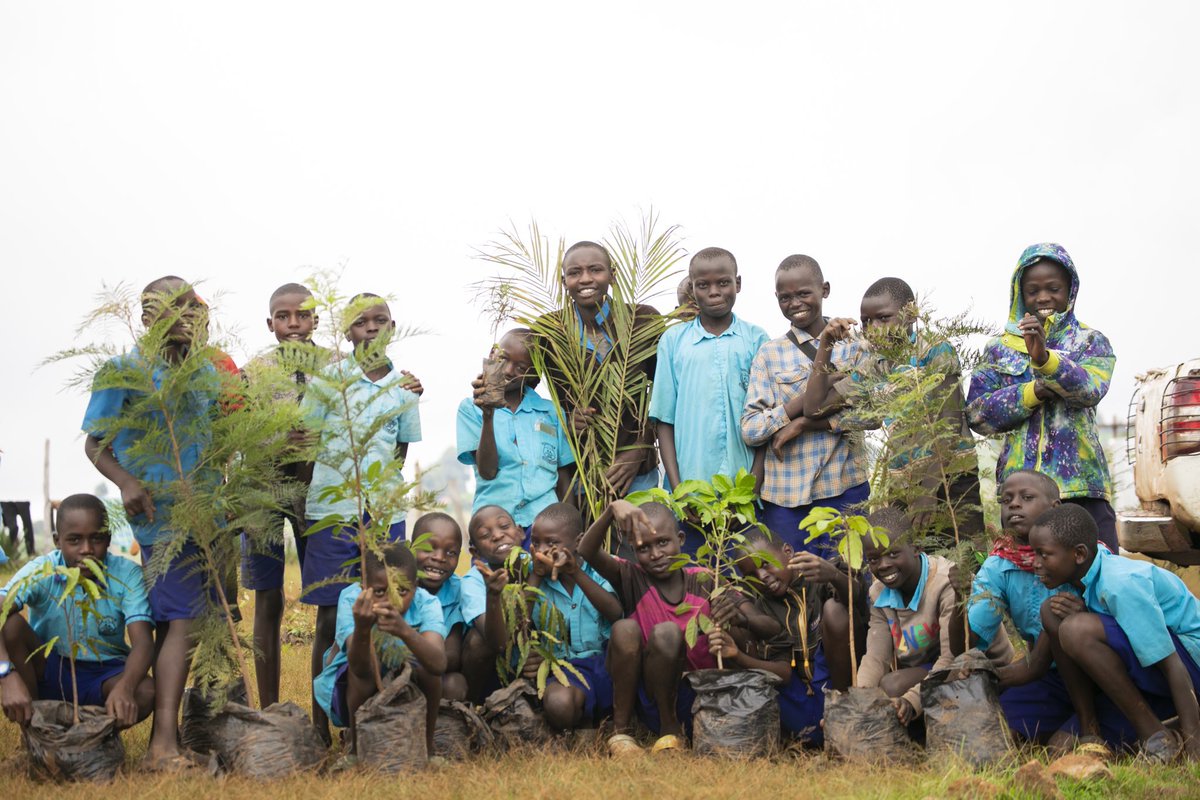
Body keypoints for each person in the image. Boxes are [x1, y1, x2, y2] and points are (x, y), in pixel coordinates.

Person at [81, 275, 221, 769]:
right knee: (180, 624)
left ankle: (178, 734)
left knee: (185, 626)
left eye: (192, 307)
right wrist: (126, 483)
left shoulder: (205, 375)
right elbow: (96, 442)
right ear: (145, 318)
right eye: (171, 308)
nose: (185, 316)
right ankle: (163, 744)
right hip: (162, 518)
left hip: (208, 514)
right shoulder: (123, 372)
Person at [300, 293, 422, 742]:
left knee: (387, 610)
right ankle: (319, 724)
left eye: (379, 320)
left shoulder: (403, 389)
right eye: (359, 322)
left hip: (384, 514)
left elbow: (400, 449)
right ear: (346, 331)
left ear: (392, 326)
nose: (370, 328)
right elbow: (307, 443)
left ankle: (374, 717)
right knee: (331, 618)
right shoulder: (328, 381)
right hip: (334, 512)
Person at [967, 243, 1117, 551]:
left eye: (1053, 288)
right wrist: (1031, 391)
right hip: (1022, 496)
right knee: (1025, 581)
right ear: (1020, 294)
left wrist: (1046, 360)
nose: (1043, 297)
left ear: (1070, 290)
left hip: (1080, 489)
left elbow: (1091, 389)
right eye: (1033, 290)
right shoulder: (999, 349)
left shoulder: (1091, 342)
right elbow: (977, 415)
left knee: (1098, 578)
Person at [807, 277, 983, 538]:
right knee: (913, 564)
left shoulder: (934, 350)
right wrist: (825, 345)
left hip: (952, 479)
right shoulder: (874, 364)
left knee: (963, 563)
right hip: (904, 482)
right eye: (865, 321)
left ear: (910, 314)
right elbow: (815, 407)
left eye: (883, 318)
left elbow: (950, 421)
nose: (873, 328)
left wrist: (929, 491)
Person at [1033, 505, 1200, 762]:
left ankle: (1157, 737)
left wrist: (1194, 747)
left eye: (1044, 555)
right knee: (1060, 747)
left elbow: (1171, 664)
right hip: (1151, 674)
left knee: (1076, 630)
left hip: (1189, 665)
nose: (1035, 564)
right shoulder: (1080, 580)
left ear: (1078, 554)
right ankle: (1096, 729)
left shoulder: (1120, 584)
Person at [741, 255, 869, 553]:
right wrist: (794, 409)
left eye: (803, 294)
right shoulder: (769, 354)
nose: (795, 302)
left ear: (824, 290)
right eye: (785, 297)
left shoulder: (856, 347)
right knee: (793, 586)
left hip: (844, 488)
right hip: (786, 499)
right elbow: (751, 429)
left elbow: (871, 415)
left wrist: (805, 425)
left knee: (848, 584)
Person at [649, 247, 769, 554]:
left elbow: (767, 419)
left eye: (723, 283)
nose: (714, 292)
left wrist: (753, 482)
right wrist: (678, 490)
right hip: (691, 492)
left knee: (746, 580)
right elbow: (664, 420)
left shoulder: (756, 339)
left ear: (737, 284)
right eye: (703, 285)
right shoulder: (674, 342)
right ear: (692, 289)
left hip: (746, 492)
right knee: (696, 582)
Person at [239, 282, 325, 708]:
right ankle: (269, 709)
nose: (294, 324)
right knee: (267, 598)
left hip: (319, 493)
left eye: (303, 315)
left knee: (328, 598)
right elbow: (240, 434)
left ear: (316, 319)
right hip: (263, 491)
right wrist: (278, 442)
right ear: (269, 322)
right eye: (283, 316)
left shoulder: (338, 367)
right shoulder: (253, 372)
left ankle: (323, 710)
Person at [0, 494, 154, 730]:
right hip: (49, 671)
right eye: (74, 540)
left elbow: (143, 643)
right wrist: (6, 674)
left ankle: (92, 738)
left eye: (97, 539)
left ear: (109, 538)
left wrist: (126, 687)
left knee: (146, 690)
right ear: (57, 541)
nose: (87, 550)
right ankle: (37, 732)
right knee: (11, 627)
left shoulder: (127, 575)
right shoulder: (42, 571)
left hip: (104, 674)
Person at [945, 470, 1078, 743]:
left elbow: (1037, 663)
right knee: (1002, 732)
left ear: (1055, 508)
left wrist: (991, 677)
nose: (1014, 504)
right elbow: (966, 647)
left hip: (1095, 670)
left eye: (1027, 497)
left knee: (1061, 745)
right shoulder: (998, 565)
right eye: (1006, 500)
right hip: (1049, 679)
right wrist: (960, 596)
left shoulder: (1078, 554)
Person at [579, 499, 716, 755]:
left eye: (663, 542)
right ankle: (621, 734)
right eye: (644, 548)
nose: (655, 555)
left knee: (667, 633)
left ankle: (669, 731)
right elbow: (586, 550)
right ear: (632, 548)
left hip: (696, 695)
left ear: (681, 539)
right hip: (647, 694)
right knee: (623, 629)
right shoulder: (632, 576)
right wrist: (611, 510)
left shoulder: (705, 578)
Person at [709, 527, 865, 745]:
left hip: (837, 685)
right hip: (801, 694)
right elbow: (782, 674)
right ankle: (802, 733)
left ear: (788, 552)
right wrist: (737, 655)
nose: (762, 576)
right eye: (752, 576)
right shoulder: (763, 607)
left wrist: (835, 576)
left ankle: (841, 714)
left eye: (765, 564)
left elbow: (859, 604)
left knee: (834, 610)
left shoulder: (818, 576)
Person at [857, 508, 1011, 727]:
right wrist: (858, 700)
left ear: (916, 548)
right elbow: (875, 656)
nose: (884, 565)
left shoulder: (946, 583)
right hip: (930, 670)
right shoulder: (879, 593)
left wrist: (911, 701)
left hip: (974, 667)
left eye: (893, 553)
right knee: (886, 687)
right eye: (873, 559)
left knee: (894, 685)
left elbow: (952, 658)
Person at [541, 241, 661, 499]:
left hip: (637, 474)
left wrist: (640, 448)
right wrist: (564, 421)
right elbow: (524, 396)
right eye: (574, 273)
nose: (585, 279)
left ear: (612, 275)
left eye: (595, 270)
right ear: (564, 281)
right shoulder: (550, 330)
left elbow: (665, 395)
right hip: (580, 472)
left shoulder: (642, 321)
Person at [313, 542, 446, 755]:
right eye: (380, 591)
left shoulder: (426, 603)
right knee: (363, 672)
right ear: (363, 586)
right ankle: (356, 751)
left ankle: (427, 749)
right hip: (349, 690)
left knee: (426, 668)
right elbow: (359, 668)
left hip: (405, 687)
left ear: (416, 586)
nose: (392, 600)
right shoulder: (351, 600)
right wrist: (363, 628)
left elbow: (438, 664)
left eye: (401, 591)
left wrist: (405, 631)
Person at [456, 329, 574, 540]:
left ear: (533, 375)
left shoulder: (551, 412)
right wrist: (488, 416)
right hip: (495, 527)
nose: (509, 371)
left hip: (545, 526)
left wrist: (569, 527)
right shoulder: (470, 409)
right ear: (492, 354)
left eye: (521, 367)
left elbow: (563, 475)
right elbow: (488, 471)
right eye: (504, 359)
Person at [524, 503, 620, 731]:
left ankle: (616, 723)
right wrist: (536, 576)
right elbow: (520, 622)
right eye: (536, 543)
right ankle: (582, 724)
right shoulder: (533, 577)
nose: (542, 550)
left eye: (551, 543)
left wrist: (573, 571)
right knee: (559, 703)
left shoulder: (598, 570)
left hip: (604, 664)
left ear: (577, 542)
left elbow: (615, 612)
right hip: (562, 668)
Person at [458, 504, 525, 702]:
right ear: (475, 553)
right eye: (485, 535)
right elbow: (496, 643)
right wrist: (493, 594)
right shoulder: (473, 582)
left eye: (504, 526)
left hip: (531, 663)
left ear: (520, 532)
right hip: (491, 671)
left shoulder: (536, 567)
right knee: (477, 641)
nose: (497, 535)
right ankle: (472, 705)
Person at [411, 511, 468, 700]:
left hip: (433, 671)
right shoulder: (391, 587)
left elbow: (452, 654)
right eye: (428, 548)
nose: (439, 557)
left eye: (451, 552)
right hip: (389, 669)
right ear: (410, 548)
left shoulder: (459, 591)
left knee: (455, 683)